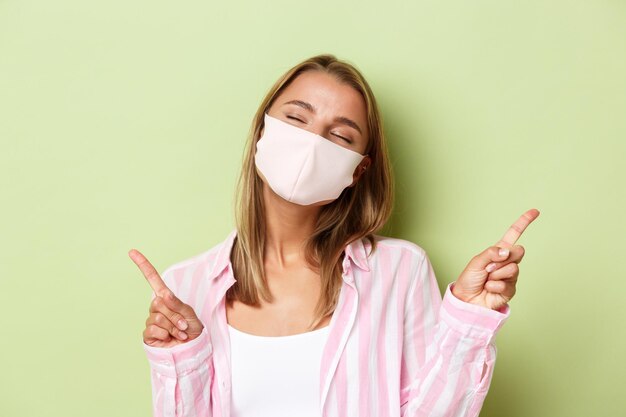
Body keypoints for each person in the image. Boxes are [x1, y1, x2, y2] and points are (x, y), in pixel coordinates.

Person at [128, 53, 540, 417]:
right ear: (262, 131)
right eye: (296, 118)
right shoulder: (186, 287)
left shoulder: (400, 270)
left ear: (357, 170)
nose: (311, 142)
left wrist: (468, 320)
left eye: (340, 135)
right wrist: (181, 361)